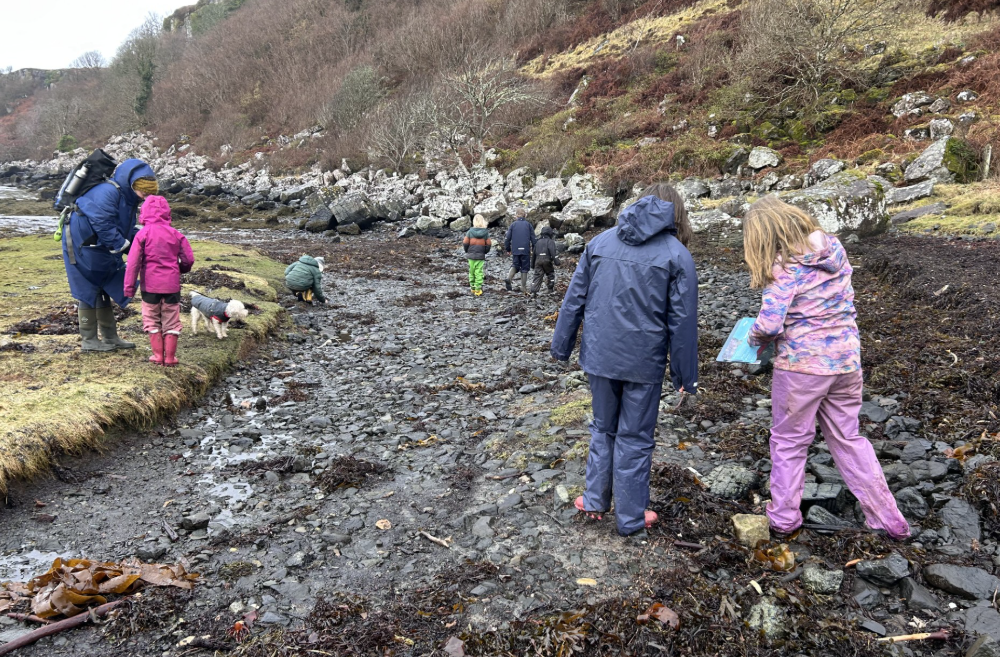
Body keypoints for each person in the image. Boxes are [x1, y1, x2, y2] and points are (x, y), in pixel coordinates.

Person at [743, 196, 910, 540]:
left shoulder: (783, 265)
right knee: (849, 438)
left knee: (789, 441)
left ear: (763, 236)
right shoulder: (834, 249)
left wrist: (749, 336)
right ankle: (888, 519)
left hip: (802, 367)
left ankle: (784, 518)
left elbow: (770, 325)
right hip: (847, 360)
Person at [551, 182, 698, 537]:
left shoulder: (600, 243)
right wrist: (685, 376)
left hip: (600, 355)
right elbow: (683, 324)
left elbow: (574, 299)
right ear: (675, 213)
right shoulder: (677, 255)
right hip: (643, 363)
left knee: (603, 427)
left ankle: (595, 500)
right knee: (635, 436)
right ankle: (630, 517)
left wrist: (561, 346)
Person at [62, 159, 157, 352]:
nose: (146, 198)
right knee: (88, 287)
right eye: (144, 193)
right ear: (133, 185)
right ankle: (89, 340)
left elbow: (124, 228)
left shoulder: (128, 198)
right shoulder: (108, 192)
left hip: (97, 243)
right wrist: (122, 246)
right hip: (82, 243)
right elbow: (103, 223)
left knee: (104, 284)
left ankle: (110, 336)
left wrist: (147, 243)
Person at [123, 195, 194, 367]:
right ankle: (170, 358)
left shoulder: (142, 234)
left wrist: (129, 288)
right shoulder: (176, 234)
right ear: (168, 212)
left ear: (144, 213)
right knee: (171, 320)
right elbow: (188, 259)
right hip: (171, 286)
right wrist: (181, 269)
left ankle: (157, 356)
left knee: (151, 319)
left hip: (150, 286)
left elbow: (133, 263)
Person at [504, 208, 536, 294]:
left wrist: (508, 249)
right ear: (525, 215)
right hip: (525, 250)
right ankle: (523, 287)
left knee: (515, 264)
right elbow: (533, 239)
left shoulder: (513, 225)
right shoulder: (528, 225)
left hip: (515, 250)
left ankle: (509, 278)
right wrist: (534, 249)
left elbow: (507, 238)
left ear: (516, 216)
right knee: (525, 267)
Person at [462, 214, 492, 296]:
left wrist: (467, 251)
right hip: (480, 256)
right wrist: (485, 251)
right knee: (479, 272)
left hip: (471, 255)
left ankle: (472, 288)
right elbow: (489, 244)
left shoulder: (469, 232)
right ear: (483, 222)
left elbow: (465, 243)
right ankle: (478, 289)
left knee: (471, 271)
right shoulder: (485, 233)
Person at [529, 225, 560, 297]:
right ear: (550, 234)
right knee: (550, 273)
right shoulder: (550, 242)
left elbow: (534, 254)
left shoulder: (538, 242)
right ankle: (550, 288)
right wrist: (557, 262)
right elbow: (553, 252)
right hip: (547, 259)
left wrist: (532, 264)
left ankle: (533, 291)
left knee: (537, 275)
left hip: (538, 260)